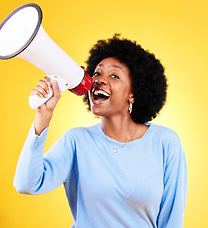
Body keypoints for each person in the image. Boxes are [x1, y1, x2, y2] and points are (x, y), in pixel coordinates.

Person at [13, 34, 187, 228]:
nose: (99, 81)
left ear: (133, 94)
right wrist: (43, 114)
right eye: (96, 73)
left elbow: (172, 221)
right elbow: (27, 184)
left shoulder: (165, 142)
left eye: (114, 75)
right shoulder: (76, 141)